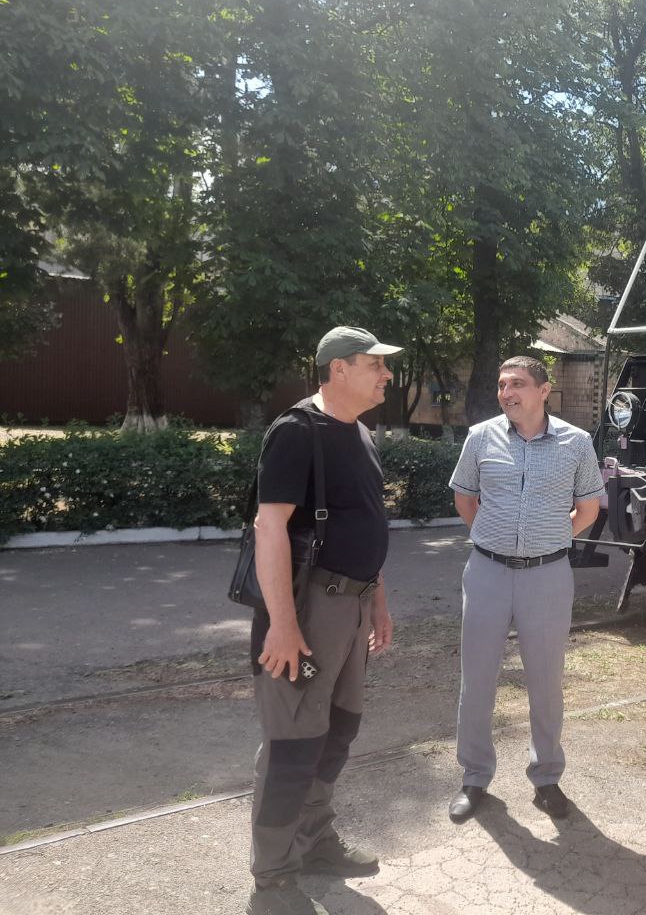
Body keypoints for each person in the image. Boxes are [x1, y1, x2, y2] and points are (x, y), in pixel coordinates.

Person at [247, 326, 400, 915]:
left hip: (353, 605)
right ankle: (274, 876)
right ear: (338, 369)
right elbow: (270, 528)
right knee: (291, 743)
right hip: (307, 607)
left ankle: (314, 844)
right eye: (374, 365)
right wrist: (284, 627)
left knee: (337, 731)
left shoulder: (359, 433)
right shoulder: (295, 431)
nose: (385, 375)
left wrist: (378, 602)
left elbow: (363, 522)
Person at [446, 355, 605, 822]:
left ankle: (547, 778)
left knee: (546, 680)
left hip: (547, 576)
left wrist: (548, 541)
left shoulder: (576, 444)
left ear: (543, 390)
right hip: (487, 573)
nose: (506, 392)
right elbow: (465, 498)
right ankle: (474, 777)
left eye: (516, 384)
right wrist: (495, 540)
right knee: (477, 679)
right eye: (501, 385)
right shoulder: (481, 437)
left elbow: (589, 507)